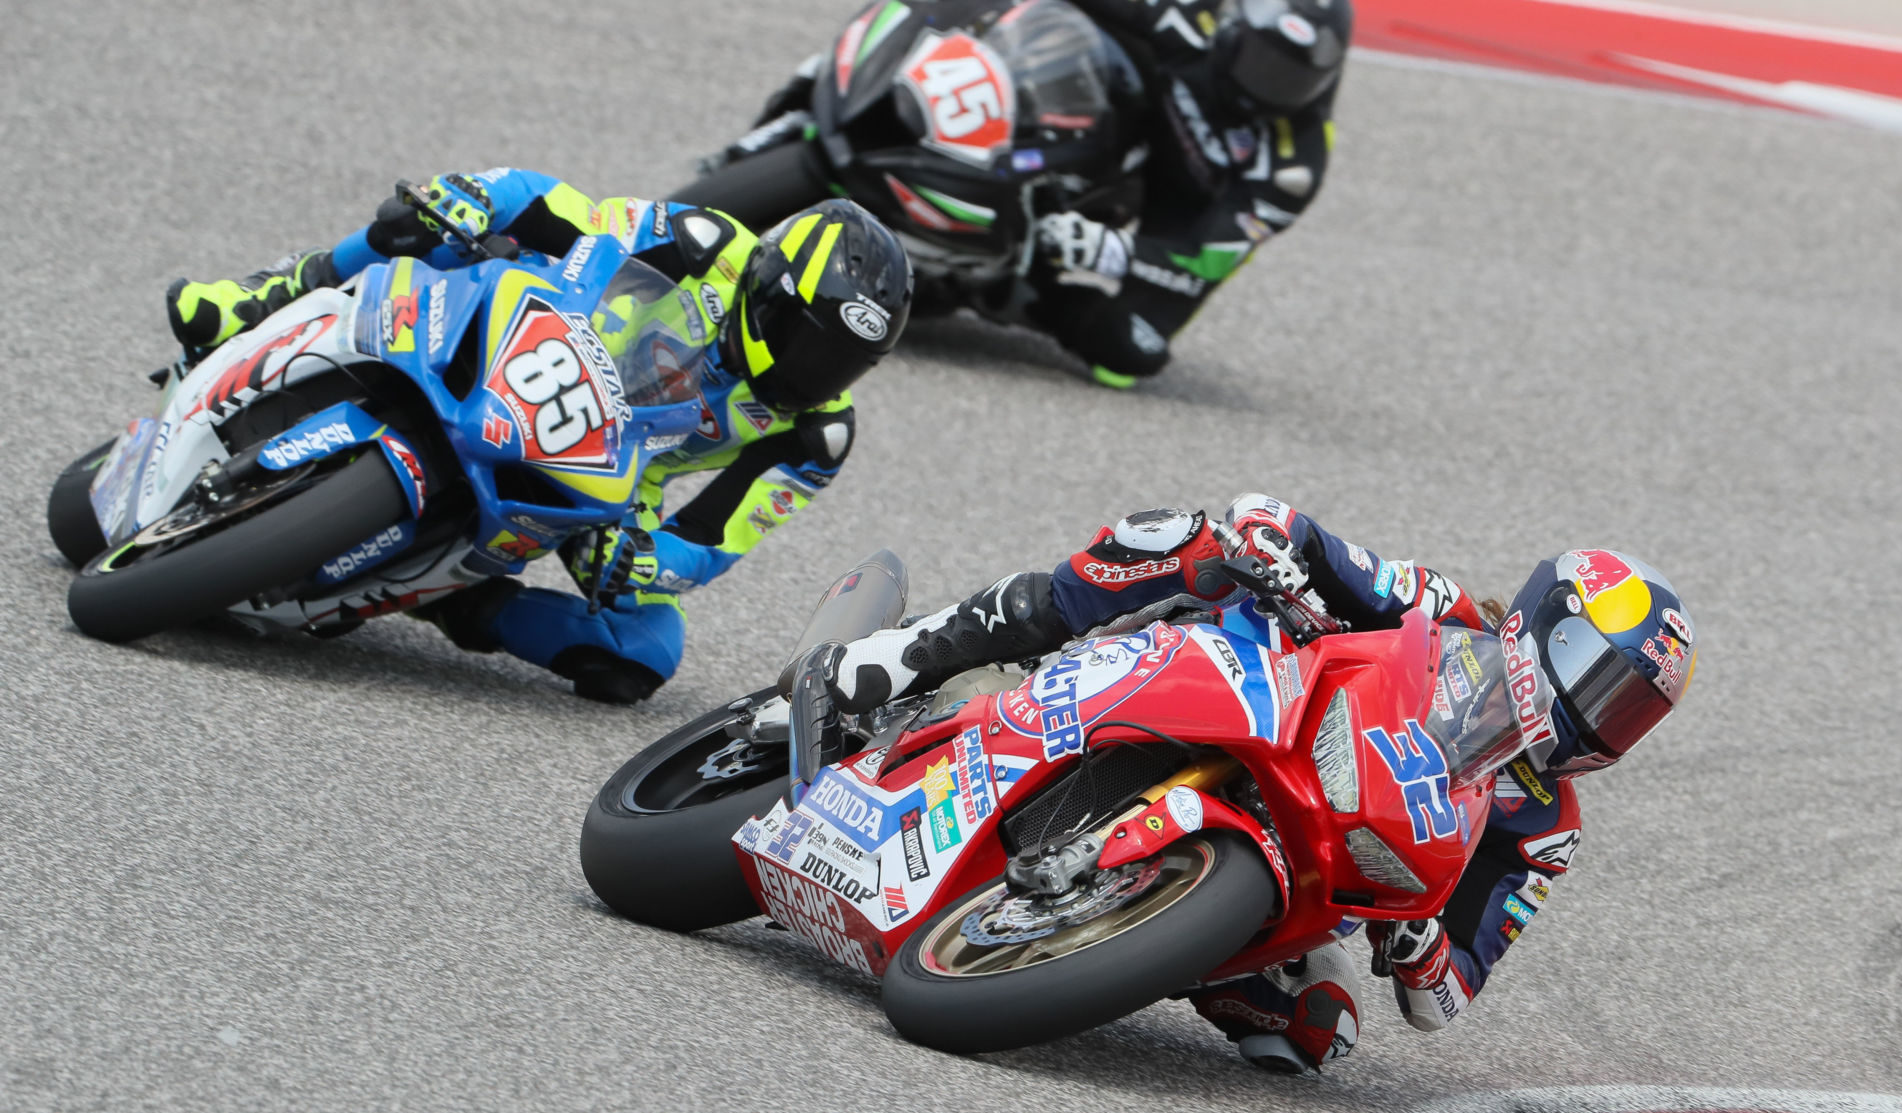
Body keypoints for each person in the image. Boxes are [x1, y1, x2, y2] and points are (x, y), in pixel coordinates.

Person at [818, 494, 1697, 1072]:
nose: (1598, 715)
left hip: (1312, 861)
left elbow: (1444, 1000)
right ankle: (907, 654)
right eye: (1598, 678)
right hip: (1249, 697)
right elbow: (1298, 529)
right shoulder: (1446, 610)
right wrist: (1272, 545)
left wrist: (1420, 944)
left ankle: (1150, 942)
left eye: (1626, 711)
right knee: (1179, 541)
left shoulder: (1546, 824)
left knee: (1324, 1029)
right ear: (1546, 623)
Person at [166, 171, 913, 703]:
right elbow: (566, 213)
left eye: (844, 362)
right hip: (534, 336)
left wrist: (640, 563)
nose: (814, 371)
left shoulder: (819, 436)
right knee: (426, 226)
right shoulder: (705, 240)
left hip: (614, 468)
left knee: (646, 650)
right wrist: (477, 198)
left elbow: (712, 540)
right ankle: (256, 298)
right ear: (769, 289)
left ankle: (451, 596)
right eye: (809, 342)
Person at [722, 0, 1349, 389]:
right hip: (1077, 116)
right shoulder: (1191, 16)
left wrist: (1114, 256)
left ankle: (1007, 285)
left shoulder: (1289, 165)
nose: (1264, 86)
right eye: (1260, 61)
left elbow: (1204, 256)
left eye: (1290, 78)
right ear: (1235, 29)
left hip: (1130, 215)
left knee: (1132, 353)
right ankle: (821, 104)